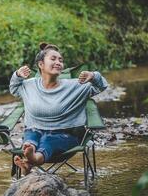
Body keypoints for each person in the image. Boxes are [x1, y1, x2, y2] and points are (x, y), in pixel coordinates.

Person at [9, 42, 108, 175]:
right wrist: (17, 75)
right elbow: (14, 88)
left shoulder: (75, 86)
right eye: (53, 59)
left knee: (47, 141)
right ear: (41, 64)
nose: (58, 62)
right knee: (31, 138)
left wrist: (93, 76)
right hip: (35, 130)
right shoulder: (29, 85)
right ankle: (28, 159)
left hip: (66, 135)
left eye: (60, 60)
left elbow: (100, 86)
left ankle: (32, 158)